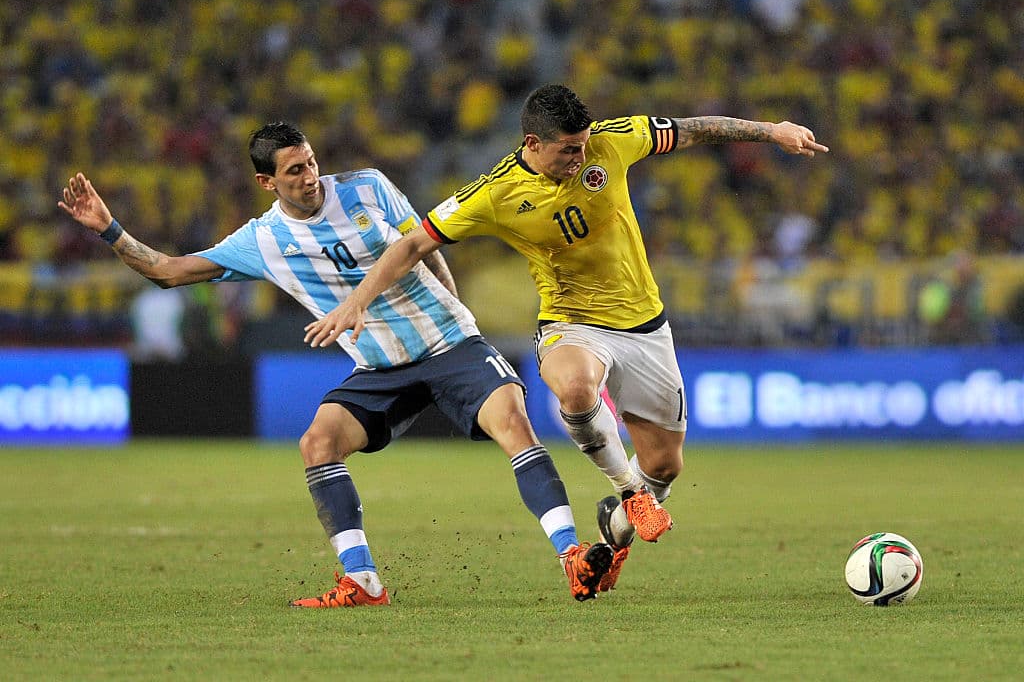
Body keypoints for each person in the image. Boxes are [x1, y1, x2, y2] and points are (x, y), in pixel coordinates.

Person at [58, 121, 614, 606]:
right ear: (266, 182)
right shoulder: (264, 239)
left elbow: (424, 244)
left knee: (513, 423)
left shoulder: (369, 188)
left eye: (312, 162)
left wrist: (459, 313)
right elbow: (168, 270)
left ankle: (572, 556)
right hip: (380, 369)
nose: (310, 176)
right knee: (316, 444)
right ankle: (363, 580)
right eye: (295, 170)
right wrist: (111, 230)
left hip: (449, 343)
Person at [304, 84, 830, 593]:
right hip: (569, 322)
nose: (579, 159)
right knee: (577, 390)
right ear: (532, 144)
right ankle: (627, 493)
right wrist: (356, 302)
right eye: (567, 151)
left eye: (582, 148)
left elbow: (694, 130)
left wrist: (772, 131)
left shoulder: (612, 140)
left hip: (645, 326)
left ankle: (618, 525)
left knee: (665, 467)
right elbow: (413, 243)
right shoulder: (495, 193)